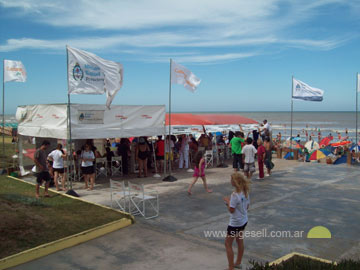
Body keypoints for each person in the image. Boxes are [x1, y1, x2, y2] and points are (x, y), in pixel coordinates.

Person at [223, 173, 250, 270]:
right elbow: (247, 206)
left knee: (228, 243)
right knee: (239, 240)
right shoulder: (245, 191)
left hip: (235, 223)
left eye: (231, 180)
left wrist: (228, 202)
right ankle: (238, 262)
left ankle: (231, 267)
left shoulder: (234, 195)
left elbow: (231, 210)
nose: (230, 181)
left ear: (235, 182)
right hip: (243, 220)